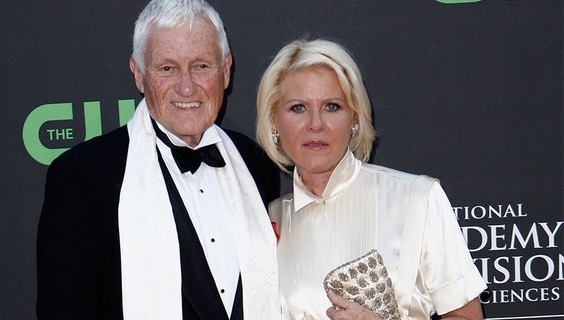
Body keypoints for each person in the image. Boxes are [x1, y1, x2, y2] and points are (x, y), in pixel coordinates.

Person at [36, 0, 282, 319]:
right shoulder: (82, 177)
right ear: (139, 75)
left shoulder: (255, 163)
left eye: (201, 66)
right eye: (167, 68)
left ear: (226, 70)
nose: (186, 87)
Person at [256, 39, 487, 320]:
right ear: (274, 122)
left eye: (331, 106)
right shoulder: (265, 222)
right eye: (298, 108)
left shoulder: (417, 199)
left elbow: (467, 316)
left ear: (354, 118)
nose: (315, 124)